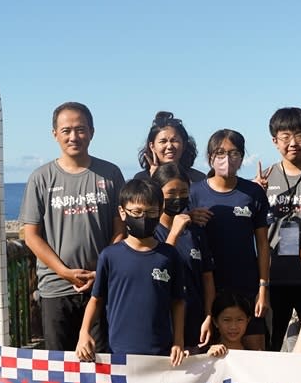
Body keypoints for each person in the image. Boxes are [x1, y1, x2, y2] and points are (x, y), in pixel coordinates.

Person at [75, 178, 188, 383]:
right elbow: (96, 300)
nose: (144, 218)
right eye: (137, 212)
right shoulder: (110, 256)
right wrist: (84, 333)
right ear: (123, 213)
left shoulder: (169, 255)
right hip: (119, 354)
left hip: (157, 354)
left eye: (151, 212)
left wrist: (178, 340)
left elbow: (178, 303)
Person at [19, 102, 126, 352]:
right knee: (59, 366)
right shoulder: (41, 178)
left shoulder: (110, 174)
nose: (74, 136)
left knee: (103, 364)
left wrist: (102, 270)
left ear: (92, 132)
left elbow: (120, 228)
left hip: (101, 287)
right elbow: (31, 236)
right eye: (66, 130)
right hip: (56, 288)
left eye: (80, 129)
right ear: (55, 134)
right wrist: (64, 272)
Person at [190, 129, 270, 350]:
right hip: (209, 287)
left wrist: (263, 288)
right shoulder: (195, 193)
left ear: (242, 157)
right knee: (211, 355)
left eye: (234, 153)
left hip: (247, 286)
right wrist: (188, 217)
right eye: (220, 152)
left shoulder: (252, 192)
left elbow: (263, 244)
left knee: (256, 353)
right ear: (210, 157)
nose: (227, 158)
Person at [254, 107, 301, 351]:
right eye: (285, 137)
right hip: (275, 275)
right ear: (275, 141)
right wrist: (255, 195)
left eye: (300, 135)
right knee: (273, 341)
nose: (293, 142)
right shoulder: (265, 178)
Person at [152, 163, 216, 349]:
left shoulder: (195, 232)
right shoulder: (149, 231)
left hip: (194, 319)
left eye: (183, 192)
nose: (178, 198)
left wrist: (209, 316)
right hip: (161, 321)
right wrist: (174, 232)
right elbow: (157, 266)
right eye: (171, 193)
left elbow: (207, 278)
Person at [135, 111, 206, 183]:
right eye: (163, 141)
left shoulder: (199, 180)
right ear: (152, 146)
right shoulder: (140, 180)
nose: (169, 146)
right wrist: (155, 178)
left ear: (184, 145)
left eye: (174, 140)